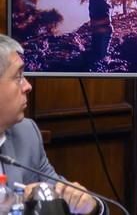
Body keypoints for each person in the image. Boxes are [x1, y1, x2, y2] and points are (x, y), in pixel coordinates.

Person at [0, 35, 100, 214]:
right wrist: (18, 199)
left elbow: (59, 192)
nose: (28, 86)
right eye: (18, 76)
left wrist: (89, 205)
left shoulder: (26, 133)